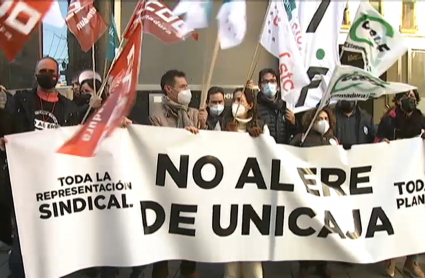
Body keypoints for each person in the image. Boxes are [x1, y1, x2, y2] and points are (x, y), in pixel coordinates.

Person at [149, 69, 205, 278]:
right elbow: (158, 146)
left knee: (190, 235)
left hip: (191, 184)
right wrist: (182, 136)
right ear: (169, 89)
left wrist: (203, 125)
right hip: (166, 187)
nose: (187, 91)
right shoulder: (157, 116)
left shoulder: (193, 114)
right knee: (162, 236)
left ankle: (189, 271)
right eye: (183, 87)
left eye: (187, 86)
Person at [376, 90, 425, 278]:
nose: (411, 99)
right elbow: (377, 140)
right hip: (393, 174)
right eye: (407, 96)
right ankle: (391, 260)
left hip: (416, 176)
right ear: (398, 100)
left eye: (414, 96)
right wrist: (382, 143)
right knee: (393, 216)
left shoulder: (421, 119)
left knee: (415, 218)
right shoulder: (388, 120)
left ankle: (411, 262)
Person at [290, 107, 337, 278]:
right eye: (319, 119)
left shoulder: (333, 140)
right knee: (307, 228)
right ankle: (304, 265)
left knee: (324, 229)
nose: (323, 122)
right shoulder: (301, 138)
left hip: (326, 192)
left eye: (326, 118)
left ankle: (322, 265)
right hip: (307, 191)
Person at [224, 87, 264, 278]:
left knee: (252, 248)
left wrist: (261, 139)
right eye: (234, 100)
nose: (236, 103)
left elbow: (269, 155)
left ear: (250, 104)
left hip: (252, 195)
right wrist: (225, 135)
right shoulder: (226, 125)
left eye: (240, 99)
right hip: (229, 193)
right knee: (231, 248)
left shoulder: (260, 126)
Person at [256, 68, 297, 144]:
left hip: (283, 151)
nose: (269, 84)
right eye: (265, 82)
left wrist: (294, 123)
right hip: (263, 151)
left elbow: (295, 133)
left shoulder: (286, 105)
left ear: (278, 85)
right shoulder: (255, 106)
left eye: (272, 81)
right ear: (259, 86)